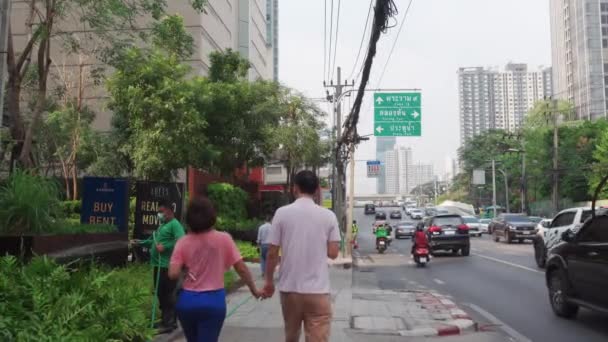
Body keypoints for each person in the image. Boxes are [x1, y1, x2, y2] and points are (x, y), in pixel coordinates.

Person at [168, 197, 262, 342]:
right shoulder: (224, 239)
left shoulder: (182, 242)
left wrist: (186, 269)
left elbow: (173, 274)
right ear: (212, 216)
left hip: (187, 302)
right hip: (213, 301)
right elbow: (241, 268)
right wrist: (254, 290)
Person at [263, 170, 341, 342]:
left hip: (290, 290)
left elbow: (272, 253)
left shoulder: (282, 213)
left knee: (291, 336)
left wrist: (268, 281)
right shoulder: (329, 216)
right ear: (317, 190)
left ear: (295, 188)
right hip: (318, 291)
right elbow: (333, 253)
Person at [131, 200, 185, 333]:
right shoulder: (162, 225)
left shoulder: (174, 225)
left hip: (167, 266)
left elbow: (181, 241)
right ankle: (165, 320)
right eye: (158, 211)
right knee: (160, 293)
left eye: (161, 211)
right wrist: (140, 243)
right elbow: (154, 241)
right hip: (158, 265)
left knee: (168, 294)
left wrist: (166, 247)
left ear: (169, 211)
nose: (159, 214)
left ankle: (170, 323)